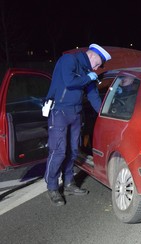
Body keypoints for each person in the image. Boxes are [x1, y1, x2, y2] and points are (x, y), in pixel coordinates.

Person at [44, 43, 112, 206]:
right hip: (59, 112)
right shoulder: (69, 60)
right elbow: (69, 82)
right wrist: (89, 77)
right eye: (99, 63)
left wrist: (106, 113)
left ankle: (68, 183)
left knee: (73, 151)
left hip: (76, 114)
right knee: (58, 151)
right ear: (92, 55)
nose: (98, 68)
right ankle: (52, 187)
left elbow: (93, 96)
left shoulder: (88, 73)